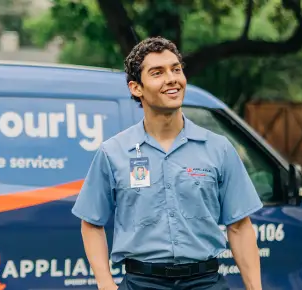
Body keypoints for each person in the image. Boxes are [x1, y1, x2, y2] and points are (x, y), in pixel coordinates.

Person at [71, 36, 264, 290]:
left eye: (176, 69)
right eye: (157, 72)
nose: (172, 78)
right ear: (136, 88)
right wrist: (106, 284)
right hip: (142, 283)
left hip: (205, 282)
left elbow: (239, 226)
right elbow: (92, 223)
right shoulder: (113, 152)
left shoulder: (219, 148)